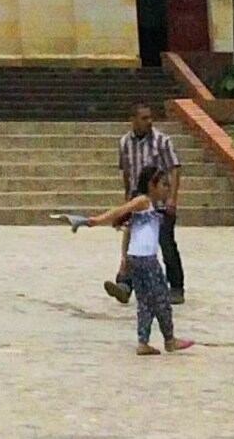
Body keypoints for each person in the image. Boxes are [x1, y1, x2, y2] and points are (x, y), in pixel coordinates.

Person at [72, 169, 193, 355]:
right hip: (147, 260)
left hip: (137, 258)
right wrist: (94, 221)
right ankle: (169, 340)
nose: (168, 189)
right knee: (161, 300)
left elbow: (129, 231)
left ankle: (143, 342)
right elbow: (119, 211)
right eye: (164, 185)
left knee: (145, 302)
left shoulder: (151, 206)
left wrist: (125, 257)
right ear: (152, 185)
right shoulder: (143, 201)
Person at [104, 104, 185, 303]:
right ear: (133, 119)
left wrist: (172, 198)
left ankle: (176, 286)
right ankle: (124, 284)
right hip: (138, 203)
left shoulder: (162, 141)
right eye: (144, 118)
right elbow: (126, 171)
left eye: (150, 117)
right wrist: (127, 201)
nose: (149, 122)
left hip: (159, 203)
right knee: (134, 245)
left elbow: (174, 168)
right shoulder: (124, 143)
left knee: (166, 245)